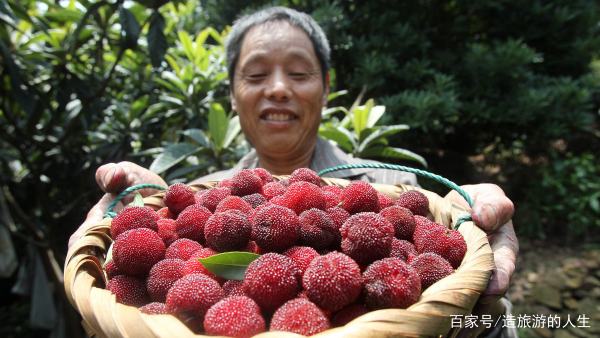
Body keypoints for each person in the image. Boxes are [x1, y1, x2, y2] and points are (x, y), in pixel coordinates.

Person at [67, 7, 518, 338]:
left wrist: (470, 226)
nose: (279, 89)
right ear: (232, 93)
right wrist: (148, 203)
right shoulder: (214, 191)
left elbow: (469, 317)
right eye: (257, 74)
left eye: (299, 73)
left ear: (325, 87)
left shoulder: (392, 190)